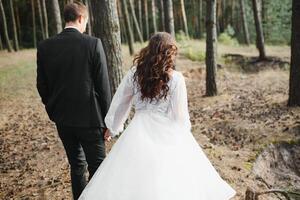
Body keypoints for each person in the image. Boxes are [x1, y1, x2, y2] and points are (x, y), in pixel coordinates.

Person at [78, 32, 236, 200]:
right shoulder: (176, 79)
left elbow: (121, 103)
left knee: (137, 179)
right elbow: (180, 116)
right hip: (167, 131)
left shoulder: (134, 74)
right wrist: (183, 136)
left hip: (138, 131)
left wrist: (113, 127)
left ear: (150, 49)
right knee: (170, 179)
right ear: (170, 52)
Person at [36, 2, 112, 199]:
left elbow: (41, 85)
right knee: (99, 167)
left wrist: (53, 110)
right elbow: (103, 86)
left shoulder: (45, 47)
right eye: (85, 20)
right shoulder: (93, 43)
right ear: (80, 18)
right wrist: (108, 121)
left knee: (77, 166)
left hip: (63, 120)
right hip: (90, 120)